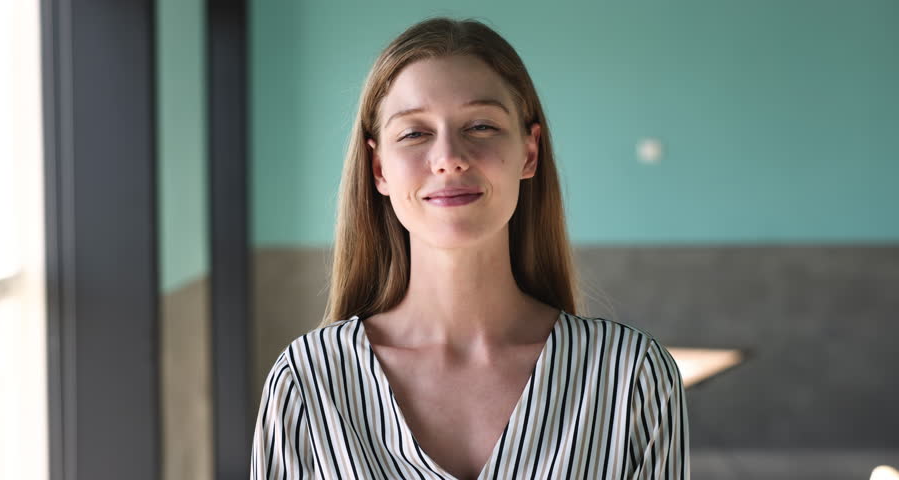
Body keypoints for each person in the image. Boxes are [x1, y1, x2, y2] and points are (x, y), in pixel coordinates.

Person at [250, 16, 689, 480]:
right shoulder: (307, 382)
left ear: (529, 152)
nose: (448, 158)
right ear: (379, 168)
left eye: (480, 126)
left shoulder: (631, 378)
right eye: (415, 133)